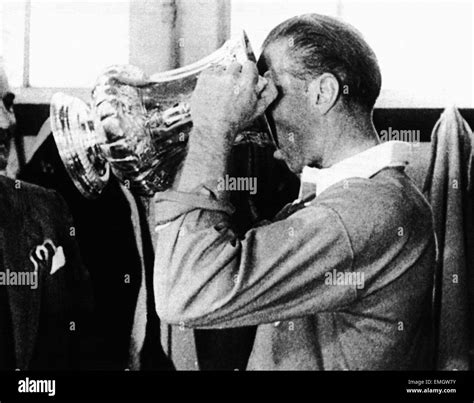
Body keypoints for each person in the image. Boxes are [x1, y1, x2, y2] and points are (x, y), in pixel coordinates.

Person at [153, 14, 437, 370]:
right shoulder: (357, 197)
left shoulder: (362, 211)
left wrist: (213, 130)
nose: (259, 112)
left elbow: (183, 295)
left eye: (270, 90)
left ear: (323, 93)